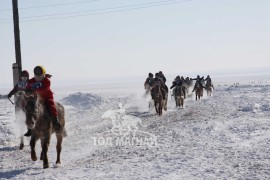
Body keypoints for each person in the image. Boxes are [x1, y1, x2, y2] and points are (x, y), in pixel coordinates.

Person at [24, 65, 60, 136]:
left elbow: (44, 90)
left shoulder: (47, 81)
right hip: (35, 98)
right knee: (29, 108)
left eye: (39, 73)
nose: (37, 75)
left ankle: (56, 123)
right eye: (36, 73)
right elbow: (27, 87)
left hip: (47, 97)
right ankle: (29, 128)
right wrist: (27, 92)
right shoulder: (31, 81)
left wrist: (34, 90)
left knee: (52, 107)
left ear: (43, 73)